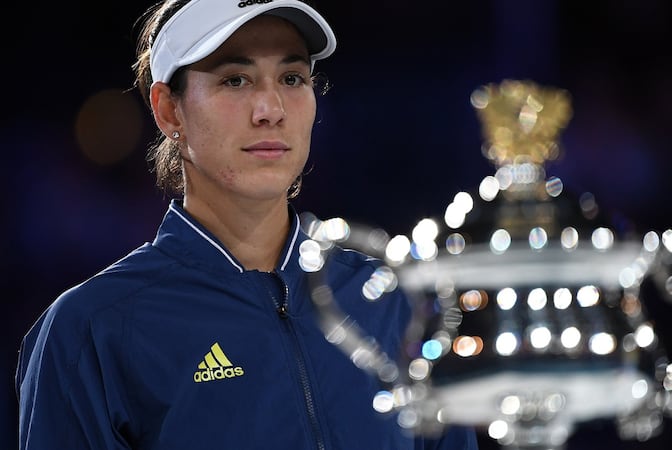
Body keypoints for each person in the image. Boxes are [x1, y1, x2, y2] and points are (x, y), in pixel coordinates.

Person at [15, 1, 479, 449]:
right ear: (168, 110)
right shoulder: (90, 331)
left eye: (292, 77)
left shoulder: (394, 302)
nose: (270, 109)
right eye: (235, 80)